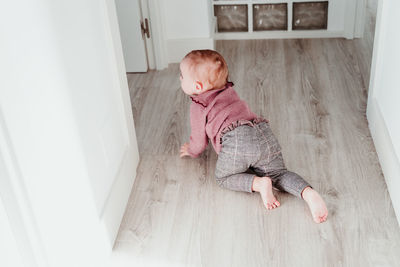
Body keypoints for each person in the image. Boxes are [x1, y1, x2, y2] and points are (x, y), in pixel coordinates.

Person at [179, 49, 328, 223]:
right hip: (262, 131)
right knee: (279, 174)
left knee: (223, 177)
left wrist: (192, 150)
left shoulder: (198, 104)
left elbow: (199, 139)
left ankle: (258, 184)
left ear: (198, 87)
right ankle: (308, 193)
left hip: (237, 142)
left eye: (181, 75)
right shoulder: (229, 90)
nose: (180, 78)